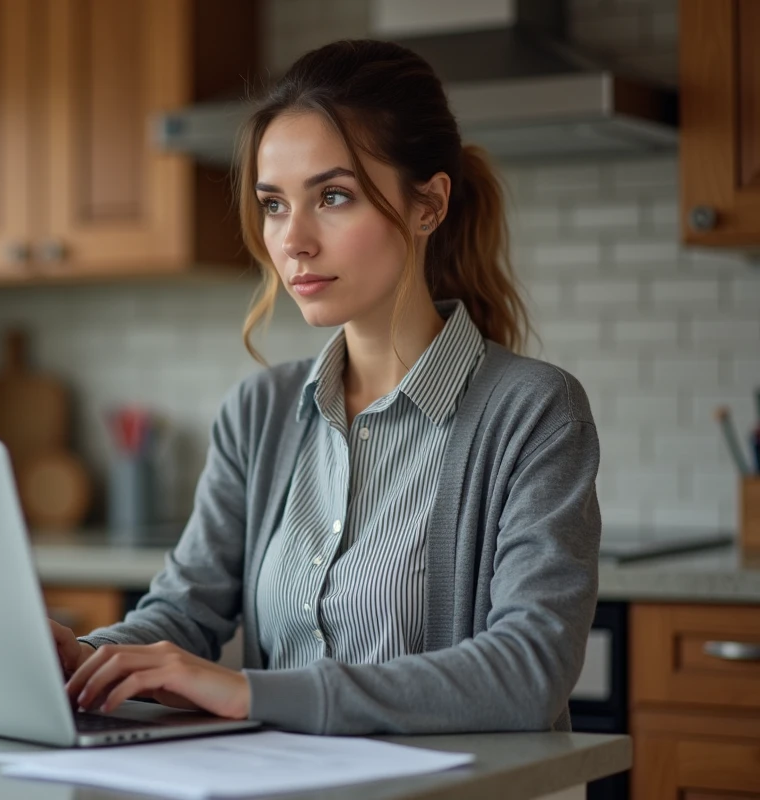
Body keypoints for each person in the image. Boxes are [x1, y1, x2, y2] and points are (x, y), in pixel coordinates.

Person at [53, 39, 601, 736]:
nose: (294, 241)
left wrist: (254, 694)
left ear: (428, 204)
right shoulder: (260, 411)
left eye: (333, 197)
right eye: (274, 204)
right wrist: (87, 657)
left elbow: (527, 672)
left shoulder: (534, 412)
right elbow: (184, 615)